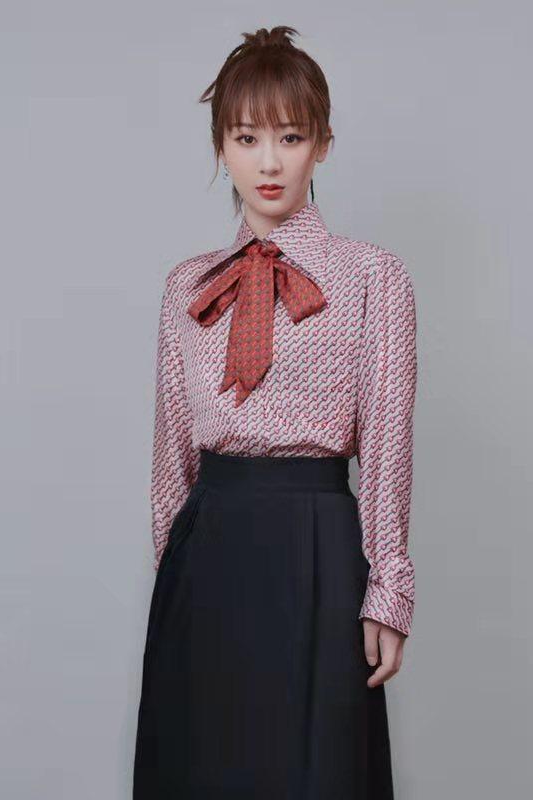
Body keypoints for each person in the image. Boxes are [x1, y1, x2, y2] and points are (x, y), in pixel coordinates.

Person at [133, 25, 417, 800]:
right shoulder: (186, 286)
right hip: (207, 559)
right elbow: (170, 461)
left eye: (290, 137)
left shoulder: (373, 277)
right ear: (220, 148)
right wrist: (176, 582)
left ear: (322, 145)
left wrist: (388, 591)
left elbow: (387, 447)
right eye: (246, 137)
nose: (268, 162)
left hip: (319, 548)